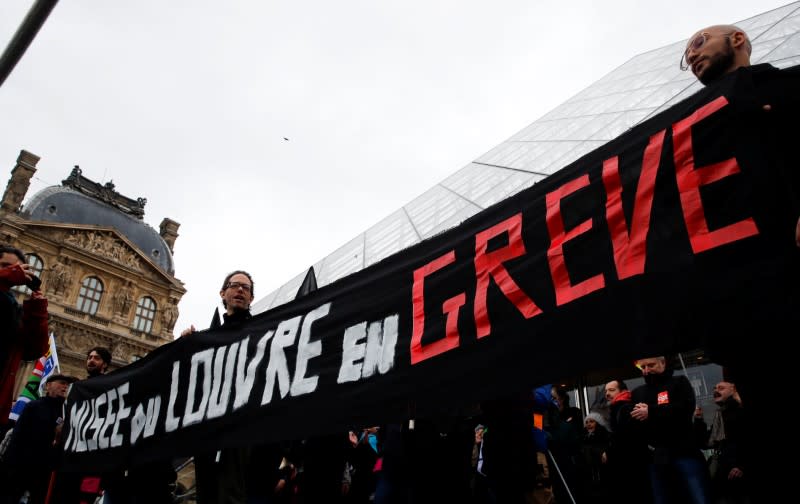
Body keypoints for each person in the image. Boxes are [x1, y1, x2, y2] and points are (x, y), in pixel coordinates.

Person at [181, 270, 256, 504]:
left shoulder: (261, 333)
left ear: (251, 298)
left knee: (231, 494)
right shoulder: (208, 338)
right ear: (223, 293)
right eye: (235, 286)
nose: (241, 290)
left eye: (246, 288)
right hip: (207, 430)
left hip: (239, 430)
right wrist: (184, 348)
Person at [631, 356, 710, 504]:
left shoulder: (679, 383)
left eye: (651, 365)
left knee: (698, 497)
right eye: (643, 367)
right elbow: (634, 423)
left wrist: (652, 412)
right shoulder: (638, 392)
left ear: (663, 363)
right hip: (656, 459)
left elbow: (684, 409)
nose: (647, 371)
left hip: (684, 454)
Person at [1, 373, 77, 504]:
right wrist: (9, 466)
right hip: (21, 466)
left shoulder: (67, 412)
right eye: (61, 383)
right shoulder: (34, 406)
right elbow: (17, 436)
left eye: (67, 385)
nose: (65, 387)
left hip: (46, 470)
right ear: (48, 386)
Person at [0, 245, 50, 431]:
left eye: (16, 269)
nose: (12, 272)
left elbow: (34, 351)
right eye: (5, 266)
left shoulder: (13, 308)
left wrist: (37, 311)